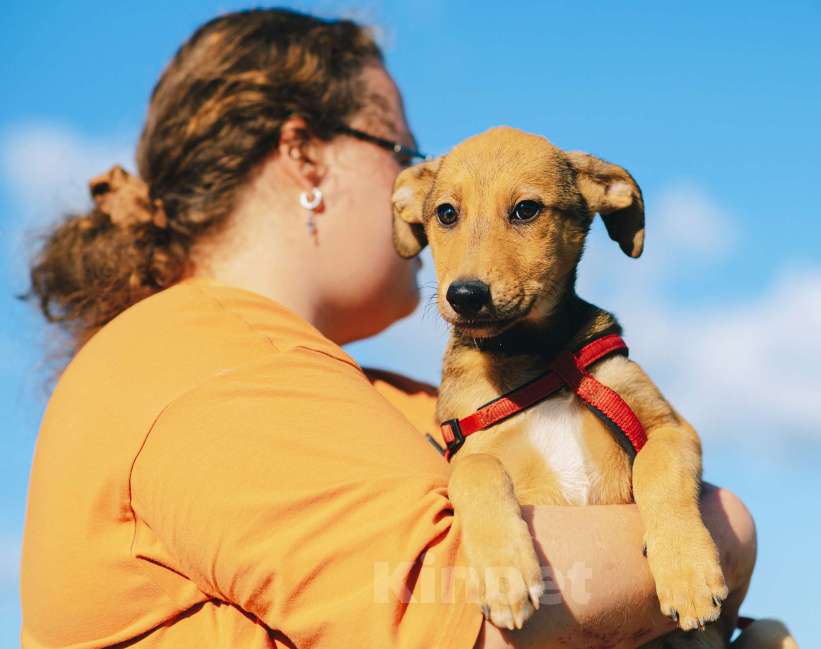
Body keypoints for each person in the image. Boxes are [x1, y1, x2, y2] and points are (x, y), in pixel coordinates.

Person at [20, 9, 757, 648]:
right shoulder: (203, 361)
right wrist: (728, 532)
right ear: (305, 155)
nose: (431, 201)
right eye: (404, 152)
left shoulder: (369, 392)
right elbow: (456, 607)